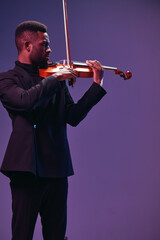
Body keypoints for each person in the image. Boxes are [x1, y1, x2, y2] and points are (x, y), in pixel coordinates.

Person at [0, 21, 106, 240]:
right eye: (44, 45)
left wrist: (96, 86)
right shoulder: (7, 79)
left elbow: (72, 116)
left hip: (57, 169)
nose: (49, 50)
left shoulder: (56, 78)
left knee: (56, 235)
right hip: (26, 170)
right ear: (27, 45)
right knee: (22, 235)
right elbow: (25, 101)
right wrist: (55, 79)